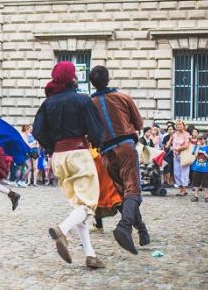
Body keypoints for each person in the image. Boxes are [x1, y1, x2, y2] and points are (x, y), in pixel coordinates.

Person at [33, 61, 106, 269]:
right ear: (71, 78)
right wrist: (97, 143)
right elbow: (96, 130)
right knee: (87, 204)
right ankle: (62, 229)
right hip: (79, 153)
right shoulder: (81, 100)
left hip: (58, 156)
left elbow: (38, 131)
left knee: (78, 207)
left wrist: (51, 147)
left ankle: (90, 254)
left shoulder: (48, 103)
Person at [89, 65, 149, 256]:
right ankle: (124, 227)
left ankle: (142, 231)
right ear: (108, 79)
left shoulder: (90, 103)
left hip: (105, 152)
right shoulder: (123, 97)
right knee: (133, 191)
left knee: (124, 193)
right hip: (125, 147)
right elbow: (139, 124)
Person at [168, 120, 191, 196]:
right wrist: (170, 145)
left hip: (183, 155)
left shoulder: (186, 134)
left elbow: (186, 145)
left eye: (180, 124)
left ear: (184, 126)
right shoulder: (174, 134)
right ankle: (180, 189)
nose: (178, 126)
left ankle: (184, 190)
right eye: (177, 125)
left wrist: (178, 149)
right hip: (176, 156)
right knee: (177, 173)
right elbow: (170, 143)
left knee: (184, 173)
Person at [191, 135, 208, 203]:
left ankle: (206, 196)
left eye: (201, 139)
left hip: (205, 169)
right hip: (196, 168)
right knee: (196, 183)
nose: (200, 140)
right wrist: (198, 147)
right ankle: (196, 196)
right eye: (199, 139)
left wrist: (204, 153)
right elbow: (195, 155)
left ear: (204, 140)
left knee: (206, 184)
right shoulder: (196, 146)